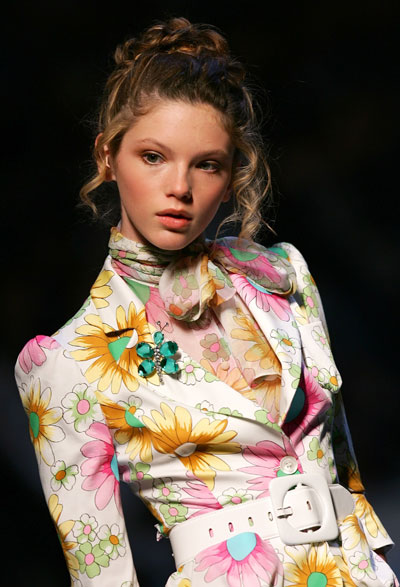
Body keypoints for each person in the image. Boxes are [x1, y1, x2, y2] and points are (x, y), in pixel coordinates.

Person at [15, 16, 397, 587]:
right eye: (152, 156)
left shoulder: (283, 277)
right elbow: (100, 573)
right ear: (106, 156)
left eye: (207, 164)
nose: (180, 187)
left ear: (230, 171)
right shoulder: (65, 360)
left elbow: (343, 470)